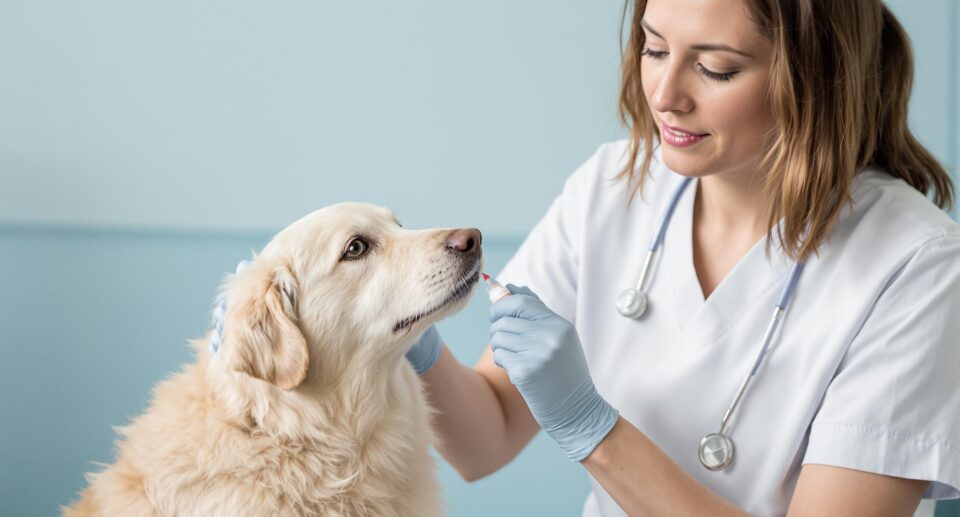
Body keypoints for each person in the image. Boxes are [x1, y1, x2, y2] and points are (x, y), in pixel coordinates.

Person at [406, 0, 960, 515]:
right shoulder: (614, 183)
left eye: (716, 68)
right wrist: (411, 338)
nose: (666, 95)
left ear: (814, 79)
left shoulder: (917, 264)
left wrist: (591, 429)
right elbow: (487, 439)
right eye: (654, 49)